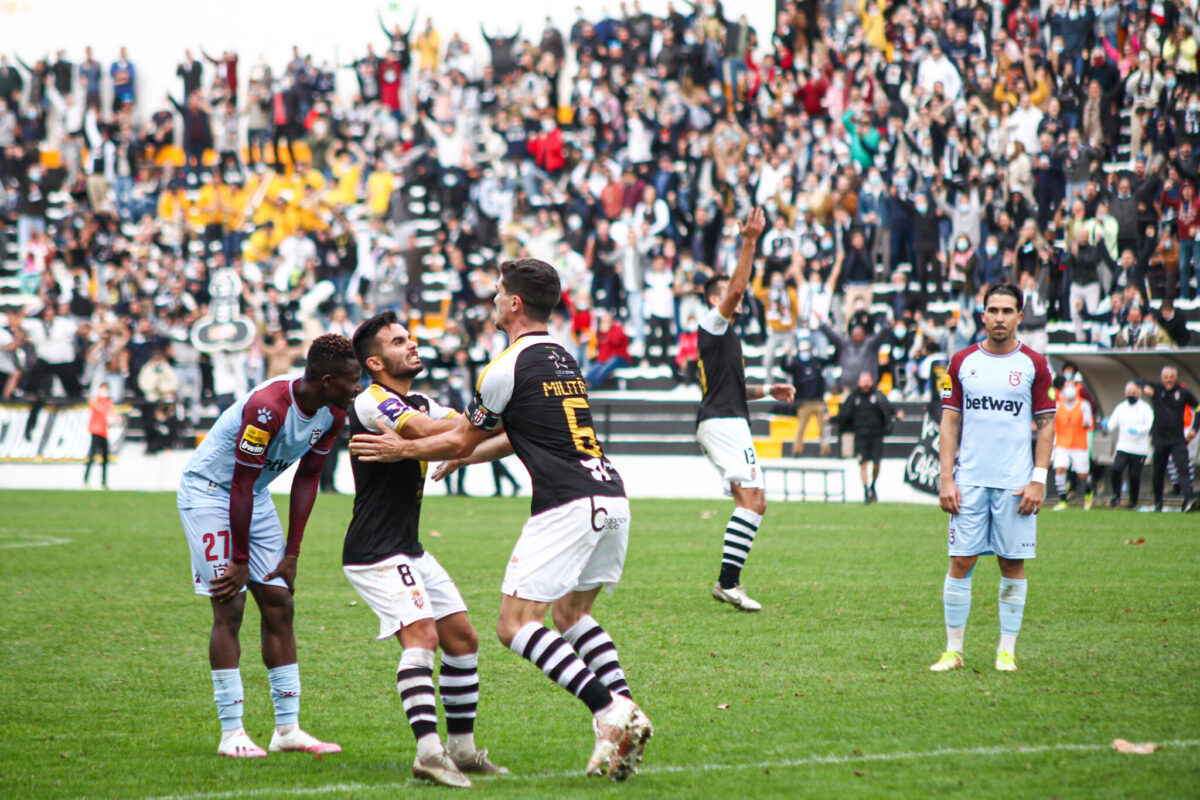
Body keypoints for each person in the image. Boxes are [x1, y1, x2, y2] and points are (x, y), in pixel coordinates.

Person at [350, 259, 652, 781]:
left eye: (497, 292)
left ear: (513, 304)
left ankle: (610, 711)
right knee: (571, 615)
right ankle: (627, 712)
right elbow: (512, 436)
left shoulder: (503, 367)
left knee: (514, 627)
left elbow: (460, 436)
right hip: (610, 494)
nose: (492, 299)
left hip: (565, 503)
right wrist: (456, 451)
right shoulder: (563, 356)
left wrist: (407, 451)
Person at [176, 334, 361, 758]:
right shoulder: (268, 408)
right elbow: (238, 483)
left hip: (253, 496)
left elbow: (309, 477)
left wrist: (292, 551)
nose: (358, 387)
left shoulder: (333, 413)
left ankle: (287, 729)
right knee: (230, 604)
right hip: (210, 492)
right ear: (328, 379)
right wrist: (240, 561)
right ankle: (231, 733)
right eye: (352, 380)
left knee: (279, 602)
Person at [344, 312, 505, 788]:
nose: (411, 345)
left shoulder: (418, 398)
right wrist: (456, 436)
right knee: (423, 640)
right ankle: (428, 753)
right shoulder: (372, 401)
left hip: (407, 547)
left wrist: (459, 435)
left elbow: (462, 431)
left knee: (462, 640)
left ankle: (462, 749)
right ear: (375, 362)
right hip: (375, 550)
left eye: (411, 337)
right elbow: (425, 431)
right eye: (399, 341)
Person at [933, 283, 1055, 673]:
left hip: (1015, 483)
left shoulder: (1034, 364)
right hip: (969, 481)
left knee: (1012, 564)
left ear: (1020, 316)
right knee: (961, 560)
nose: (999, 317)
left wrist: (1038, 480)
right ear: (982, 314)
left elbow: (1047, 424)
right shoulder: (962, 361)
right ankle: (953, 651)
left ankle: (1006, 651)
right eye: (993, 310)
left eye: (1007, 311)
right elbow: (950, 420)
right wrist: (946, 478)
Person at [695, 208, 795, 612]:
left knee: (749, 502)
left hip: (724, 418)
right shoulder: (713, 322)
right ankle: (728, 583)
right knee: (755, 501)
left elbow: (732, 388)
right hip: (724, 424)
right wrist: (750, 242)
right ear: (712, 298)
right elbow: (736, 291)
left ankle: (728, 583)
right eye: (727, 287)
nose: (736, 290)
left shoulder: (725, 336)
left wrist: (767, 389)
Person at [1142, 367, 1200, 513]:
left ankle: (1188, 500)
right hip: (1160, 438)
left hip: (1177, 439)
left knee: (1183, 469)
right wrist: (1144, 388)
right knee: (1158, 471)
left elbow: (1198, 408)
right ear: (1162, 378)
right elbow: (1138, 381)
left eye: (1171, 377)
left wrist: (1194, 428)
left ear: (1176, 378)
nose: (1168, 379)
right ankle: (1158, 503)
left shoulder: (1183, 392)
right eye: (1166, 377)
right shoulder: (1157, 389)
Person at [834, 371, 897, 504]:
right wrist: (833, 419)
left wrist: (897, 413)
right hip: (861, 436)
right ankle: (866, 490)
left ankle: (873, 485)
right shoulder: (854, 397)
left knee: (876, 464)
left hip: (876, 435)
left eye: (868, 380)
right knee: (863, 464)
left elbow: (889, 408)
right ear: (858, 383)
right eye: (863, 380)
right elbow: (844, 414)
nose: (866, 383)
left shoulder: (878, 395)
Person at [1103, 382, 1153, 509]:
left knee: (1134, 475)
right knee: (1116, 469)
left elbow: (1150, 425)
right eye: (1129, 392)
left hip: (1139, 449)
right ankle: (1116, 496)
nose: (1131, 394)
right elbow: (1111, 425)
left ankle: (1133, 501)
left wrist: (1138, 430)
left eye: (1134, 392)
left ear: (1139, 394)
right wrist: (1106, 424)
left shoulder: (1145, 408)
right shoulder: (1121, 408)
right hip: (1123, 447)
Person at [1051, 374, 1094, 510]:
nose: (1069, 390)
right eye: (1066, 387)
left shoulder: (1083, 404)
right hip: (1062, 443)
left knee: (1082, 474)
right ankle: (1063, 500)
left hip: (1079, 444)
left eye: (1071, 387)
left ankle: (1088, 492)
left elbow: (1088, 421)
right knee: (1060, 468)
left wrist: (1086, 422)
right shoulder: (1058, 405)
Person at [84, 383, 115, 489]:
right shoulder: (96, 400)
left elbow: (107, 412)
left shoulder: (107, 402)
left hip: (104, 432)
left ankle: (103, 482)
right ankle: (86, 480)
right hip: (95, 431)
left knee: (105, 458)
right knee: (92, 455)